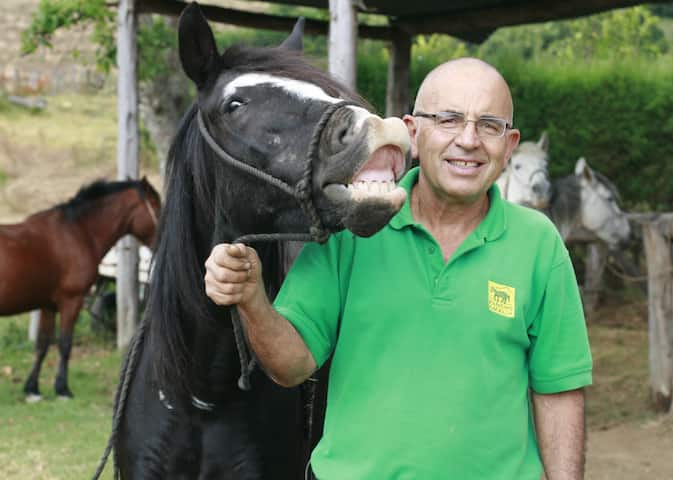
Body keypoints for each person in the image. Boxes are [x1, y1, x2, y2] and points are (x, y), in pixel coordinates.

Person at [205, 58, 592, 480]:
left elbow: (559, 391)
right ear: (413, 132)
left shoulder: (538, 244)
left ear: (510, 143)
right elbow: (292, 365)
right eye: (448, 119)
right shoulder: (353, 228)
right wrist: (253, 301)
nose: (468, 140)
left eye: (489, 125)